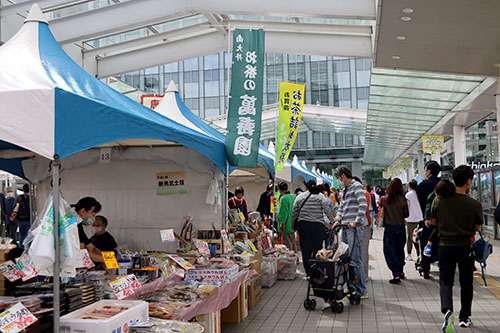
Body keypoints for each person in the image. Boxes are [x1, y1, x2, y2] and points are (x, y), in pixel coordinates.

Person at [430, 166, 482, 331]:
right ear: (468, 181)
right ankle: (464, 317)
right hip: (465, 247)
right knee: (466, 283)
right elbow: (478, 226)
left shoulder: (439, 201)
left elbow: (433, 221)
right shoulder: (473, 204)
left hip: (444, 247)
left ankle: (447, 310)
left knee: (446, 282)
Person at [333, 166, 368, 298]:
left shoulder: (356, 186)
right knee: (345, 258)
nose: (338, 181)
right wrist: (337, 220)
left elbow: (363, 204)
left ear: (343, 176)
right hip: (345, 227)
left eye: (338, 178)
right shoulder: (344, 190)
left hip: (353, 228)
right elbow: (341, 208)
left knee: (355, 259)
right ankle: (351, 286)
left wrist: (357, 221)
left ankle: (362, 290)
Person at [292, 179, 335, 277]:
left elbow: (294, 212)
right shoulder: (321, 197)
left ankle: (308, 274)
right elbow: (327, 210)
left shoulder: (300, 197)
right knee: (317, 250)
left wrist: (293, 224)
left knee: (305, 250)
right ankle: (317, 272)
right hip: (317, 227)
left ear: (306, 187)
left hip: (304, 227)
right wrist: (332, 222)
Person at [417, 160, 441, 279]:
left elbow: (420, 202)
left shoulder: (422, 185)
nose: (425, 172)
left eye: (426, 170)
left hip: (426, 220)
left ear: (429, 171)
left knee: (425, 244)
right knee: (441, 243)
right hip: (442, 220)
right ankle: (442, 265)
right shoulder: (443, 184)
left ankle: (426, 269)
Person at [381, 178, 409, 285]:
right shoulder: (403, 200)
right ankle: (401, 271)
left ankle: (396, 274)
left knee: (390, 250)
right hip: (401, 228)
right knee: (400, 249)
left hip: (390, 228)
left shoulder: (385, 199)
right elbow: (407, 215)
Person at [72, 197, 104, 262]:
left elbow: (91, 247)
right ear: (83, 211)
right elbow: (81, 252)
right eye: (93, 214)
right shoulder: (71, 222)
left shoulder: (78, 223)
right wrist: (105, 260)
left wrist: (107, 257)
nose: (93, 217)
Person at [353, 177, 372, 280]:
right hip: (362, 225)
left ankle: (360, 275)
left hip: (360, 225)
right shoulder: (366, 194)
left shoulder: (364, 194)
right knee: (363, 251)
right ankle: (363, 275)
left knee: (360, 251)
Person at [405, 179, 423, 260]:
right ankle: (420, 254)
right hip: (420, 218)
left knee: (410, 237)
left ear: (409, 186)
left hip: (411, 218)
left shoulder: (408, 195)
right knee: (420, 237)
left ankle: (409, 254)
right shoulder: (420, 193)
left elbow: (406, 207)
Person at [277, 182, 297, 252]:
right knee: (293, 242)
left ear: (280, 190)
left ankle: (289, 259)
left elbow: (283, 212)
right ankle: (295, 258)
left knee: (286, 244)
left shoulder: (283, 198)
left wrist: (282, 223)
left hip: (286, 224)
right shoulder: (294, 197)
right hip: (293, 224)